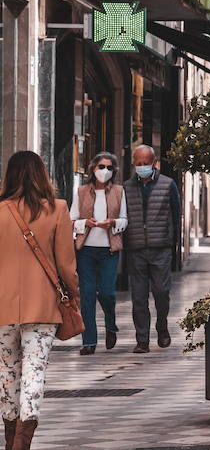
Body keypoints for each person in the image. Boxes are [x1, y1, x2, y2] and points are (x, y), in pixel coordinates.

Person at [0, 151, 79, 450]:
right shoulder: (58, 209)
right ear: (42, 174)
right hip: (44, 304)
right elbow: (66, 263)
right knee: (35, 369)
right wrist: (73, 294)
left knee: (7, 371)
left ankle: (8, 436)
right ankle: (23, 442)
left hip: (2, 304)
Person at [123, 145, 181, 353]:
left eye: (145, 163)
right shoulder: (126, 188)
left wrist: (173, 246)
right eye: (138, 164)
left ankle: (162, 326)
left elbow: (176, 216)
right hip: (136, 248)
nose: (142, 167)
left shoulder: (168, 185)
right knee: (138, 297)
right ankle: (142, 340)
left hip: (161, 248)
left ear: (154, 163)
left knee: (161, 292)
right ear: (133, 164)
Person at [71, 152, 128, 354]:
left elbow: (124, 220)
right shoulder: (81, 191)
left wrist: (112, 223)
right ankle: (89, 341)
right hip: (86, 250)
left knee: (106, 293)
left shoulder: (119, 192)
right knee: (86, 295)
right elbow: (71, 220)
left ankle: (111, 326)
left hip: (109, 250)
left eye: (109, 168)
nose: (105, 171)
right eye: (101, 167)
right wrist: (85, 223)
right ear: (93, 168)